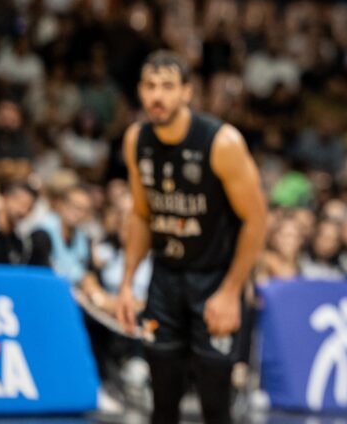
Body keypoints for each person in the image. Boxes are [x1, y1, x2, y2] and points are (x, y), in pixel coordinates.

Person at [114, 51, 266, 424]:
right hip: (165, 280)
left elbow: (257, 220)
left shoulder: (221, 142)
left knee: (215, 406)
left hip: (214, 281)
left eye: (167, 86)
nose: (157, 95)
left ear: (187, 92)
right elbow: (141, 213)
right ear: (139, 91)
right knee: (162, 405)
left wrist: (231, 291)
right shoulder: (136, 139)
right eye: (150, 86)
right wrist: (127, 282)